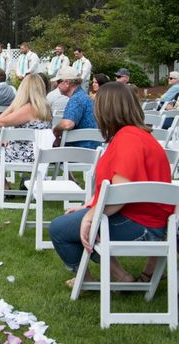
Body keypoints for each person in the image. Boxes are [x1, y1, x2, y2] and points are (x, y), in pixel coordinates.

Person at [50, 82, 173, 287]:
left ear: (107, 109)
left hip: (141, 224)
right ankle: (121, 277)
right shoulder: (136, 135)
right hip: (146, 217)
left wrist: (90, 217)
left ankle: (88, 280)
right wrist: (88, 207)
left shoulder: (128, 139)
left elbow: (119, 193)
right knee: (73, 221)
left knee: (59, 229)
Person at [0, 74, 51, 179]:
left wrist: (14, 104)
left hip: (24, 155)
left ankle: (5, 188)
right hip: (40, 153)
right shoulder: (46, 107)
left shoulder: (29, 109)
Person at [52, 66, 100, 149]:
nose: (57, 85)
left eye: (58, 81)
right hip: (92, 150)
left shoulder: (76, 98)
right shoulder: (84, 96)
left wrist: (55, 130)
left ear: (67, 83)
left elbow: (68, 124)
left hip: (78, 152)